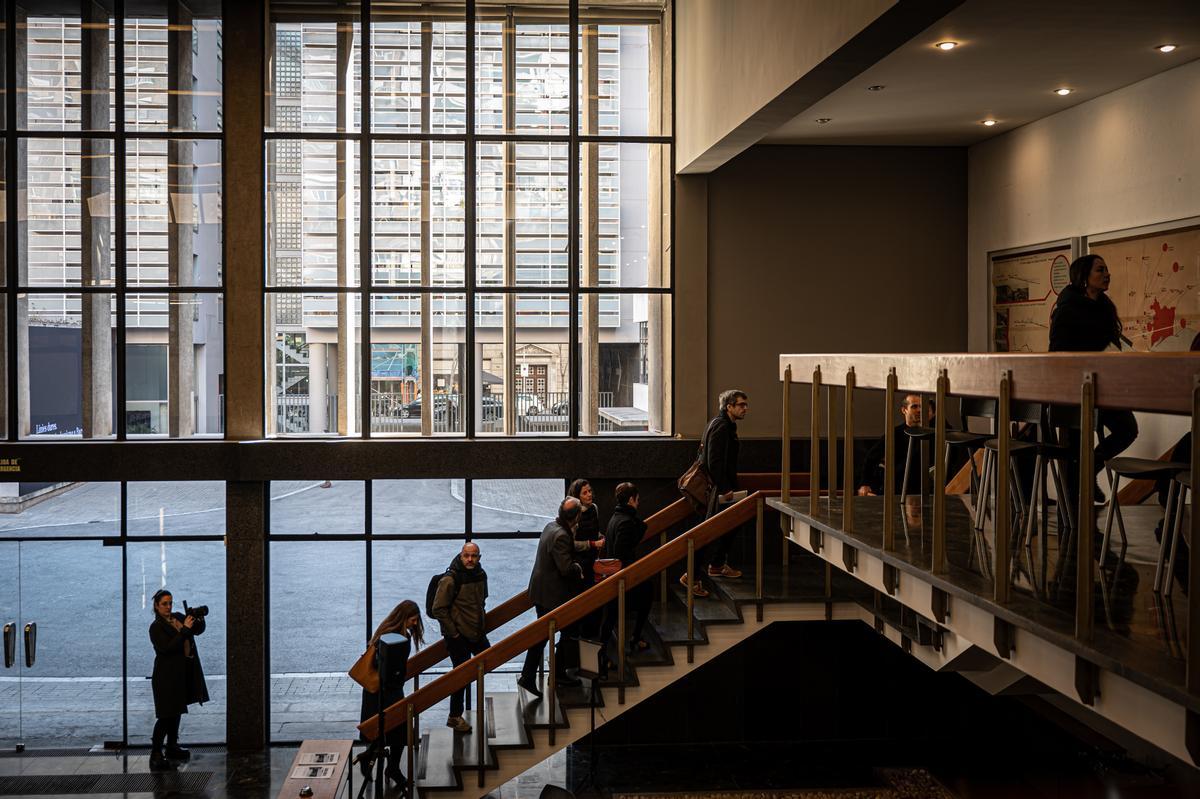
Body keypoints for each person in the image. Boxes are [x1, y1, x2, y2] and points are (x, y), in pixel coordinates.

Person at [1049, 254, 1138, 502]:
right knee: (1075, 446)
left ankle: (1087, 470)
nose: (1107, 274)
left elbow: (1110, 342)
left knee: (1127, 429)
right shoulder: (1067, 308)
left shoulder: (1106, 307)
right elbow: (1057, 352)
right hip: (1073, 390)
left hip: (1104, 387)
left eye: (1107, 269)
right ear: (1083, 277)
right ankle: (1075, 508)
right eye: (1100, 270)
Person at [518, 496, 605, 697]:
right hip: (551, 595)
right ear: (575, 517)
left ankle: (532, 676)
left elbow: (566, 550)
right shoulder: (562, 536)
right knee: (569, 630)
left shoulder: (551, 527)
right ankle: (552, 675)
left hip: (540, 591)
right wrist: (579, 568)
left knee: (542, 634)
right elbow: (566, 568)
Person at [681, 389, 748, 597]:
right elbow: (714, 461)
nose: (745, 408)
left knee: (728, 525)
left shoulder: (721, 424)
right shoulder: (721, 427)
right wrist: (726, 487)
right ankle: (691, 576)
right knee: (707, 532)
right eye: (741, 405)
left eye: (745, 405)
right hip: (719, 489)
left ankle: (717, 564)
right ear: (729, 407)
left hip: (719, 487)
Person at [359, 600, 424, 788]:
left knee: (385, 729)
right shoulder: (394, 636)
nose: (414, 623)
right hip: (385, 691)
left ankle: (374, 761)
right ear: (403, 617)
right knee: (397, 730)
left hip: (380, 690)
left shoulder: (388, 633)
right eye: (412, 619)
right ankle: (390, 768)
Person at [430, 542, 489, 734]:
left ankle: (457, 715)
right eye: (466, 556)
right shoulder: (450, 579)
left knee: (489, 660)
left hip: (475, 632)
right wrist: (453, 633)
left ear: (479, 557)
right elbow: (438, 609)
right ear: (461, 555)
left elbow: (481, 601)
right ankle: (454, 716)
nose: (470, 559)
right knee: (461, 676)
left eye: (474, 556)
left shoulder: (481, 575)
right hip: (457, 635)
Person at [148, 588, 209, 772]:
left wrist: (198, 618)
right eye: (164, 604)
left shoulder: (177, 617)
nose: (168, 607)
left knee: (177, 712)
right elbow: (167, 648)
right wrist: (184, 630)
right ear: (156, 606)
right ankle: (156, 753)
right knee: (166, 716)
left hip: (180, 674)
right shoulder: (156, 627)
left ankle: (172, 746)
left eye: (170, 603)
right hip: (165, 677)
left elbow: (197, 631)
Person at [599, 482, 653, 657]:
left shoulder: (616, 517)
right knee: (646, 596)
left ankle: (603, 653)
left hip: (613, 576)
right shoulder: (627, 522)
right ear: (631, 500)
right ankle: (635, 638)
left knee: (610, 617)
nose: (638, 503)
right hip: (622, 577)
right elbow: (622, 552)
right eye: (637, 500)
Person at [856, 394, 934, 496]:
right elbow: (871, 459)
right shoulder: (894, 434)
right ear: (904, 410)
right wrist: (864, 484)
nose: (919, 410)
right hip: (897, 489)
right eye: (914, 406)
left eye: (922, 407)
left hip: (925, 490)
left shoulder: (933, 433)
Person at [567, 478, 603, 638]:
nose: (589, 495)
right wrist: (592, 544)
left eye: (590, 491)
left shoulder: (594, 508)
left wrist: (600, 538)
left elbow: (596, 530)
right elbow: (570, 543)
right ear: (577, 496)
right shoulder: (575, 514)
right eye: (585, 493)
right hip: (580, 565)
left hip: (593, 561)